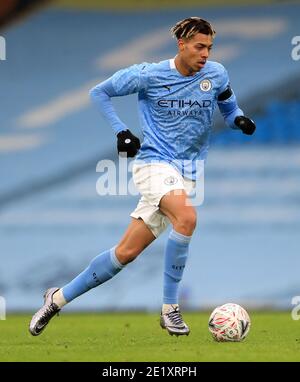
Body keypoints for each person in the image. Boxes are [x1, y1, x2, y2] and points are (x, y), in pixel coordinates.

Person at [29, 17, 255, 337]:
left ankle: (56, 299)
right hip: (153, 165)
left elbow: (230, 110)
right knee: (187, 218)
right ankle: (170, 309)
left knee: (125, 254)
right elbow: (99, 92)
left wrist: (241, 121)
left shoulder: (216, 75)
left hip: (187, 174)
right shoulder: (148, 75)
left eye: (209, 47)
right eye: (199, 47)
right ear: (182, 45)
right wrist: (121, 131)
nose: (205, 54)